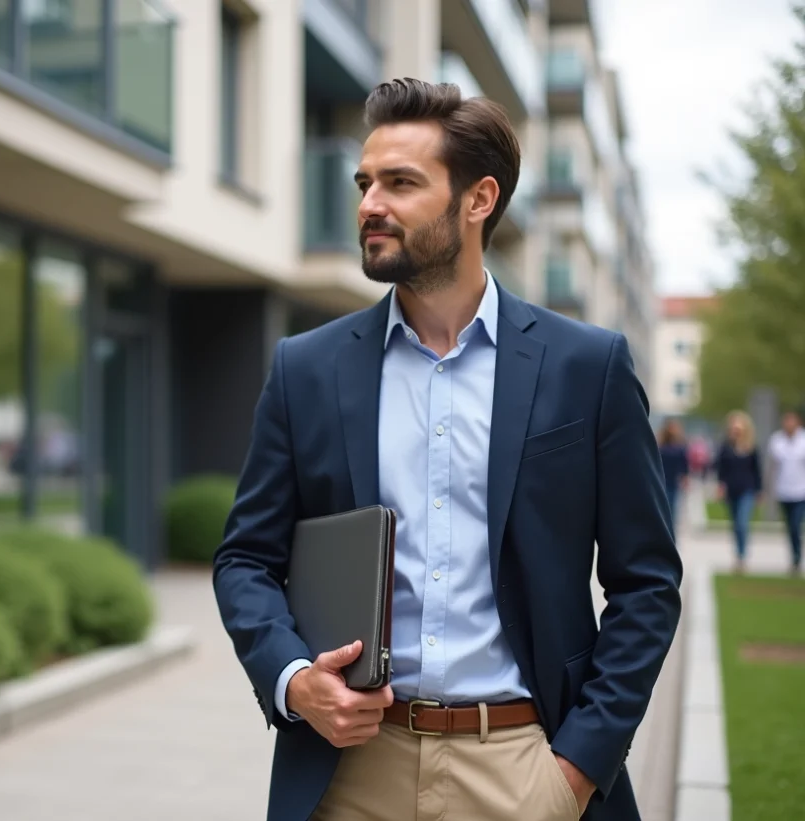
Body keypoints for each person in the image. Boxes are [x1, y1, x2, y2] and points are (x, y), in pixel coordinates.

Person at [213, 78, 683, 821]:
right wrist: (294, 678)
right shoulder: (305, 369)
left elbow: (647, 584)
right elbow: (245, 559)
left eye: (401, 182)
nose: (370, 203)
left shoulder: (586, 367)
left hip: (523, 766)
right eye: (365, 182)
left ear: (478, 199)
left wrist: (576, 768)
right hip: (350, 772)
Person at [714, 410, 762, 574]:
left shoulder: (751, 447)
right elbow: (720, 468)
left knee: (742, 523)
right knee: (735, 524)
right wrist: (720, 486)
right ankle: (738, 555)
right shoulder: (726, 447)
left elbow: (757, 470)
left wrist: (759, 490)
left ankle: (742, 556)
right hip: (731, 490)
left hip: (747, 489)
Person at [768, 409, 805, 575]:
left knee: (796, 525)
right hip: (783, 490)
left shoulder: (803, 440)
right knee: (790, 527)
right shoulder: (777, 441)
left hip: (800, 491)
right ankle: (793, 556)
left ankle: (797, 557)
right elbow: (772, 467)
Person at [658, 418, 690, 533]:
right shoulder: (660, 446)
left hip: (674, 482)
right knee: (662, 509)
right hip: (661, 481)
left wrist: (685, 478)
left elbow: (684, 464)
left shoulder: (680, 446)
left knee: (673, 510)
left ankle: (671, 535)